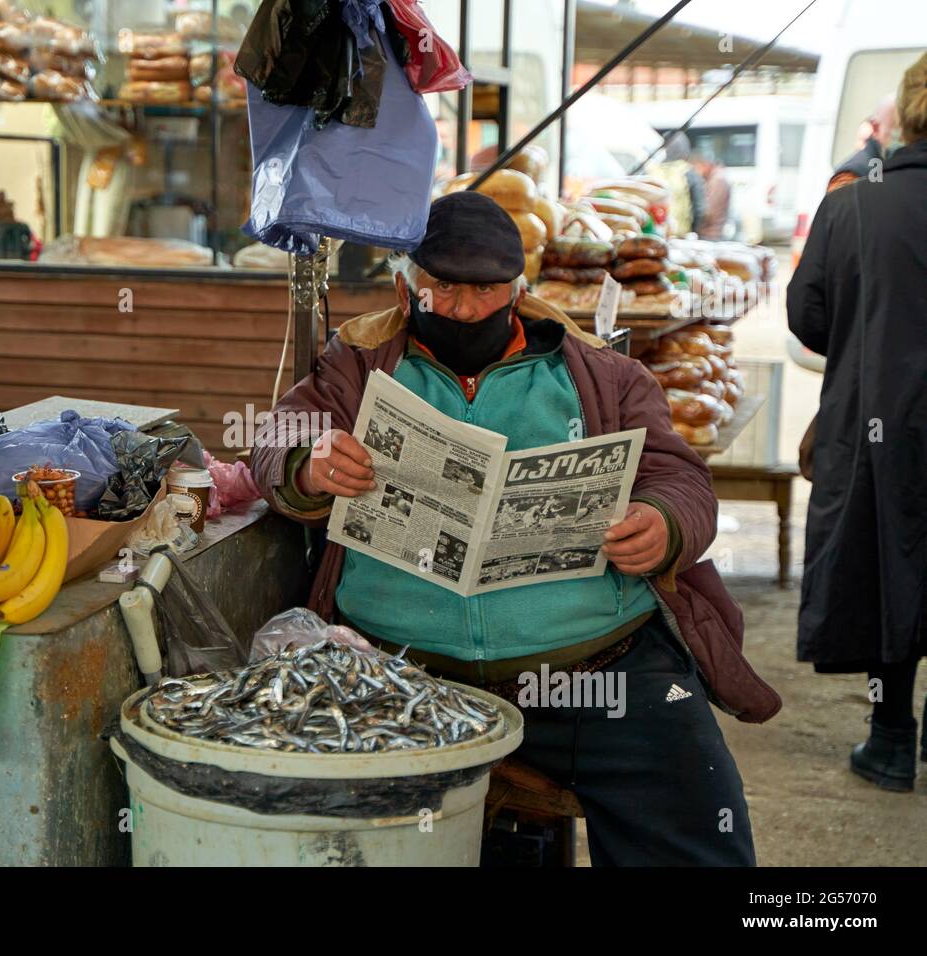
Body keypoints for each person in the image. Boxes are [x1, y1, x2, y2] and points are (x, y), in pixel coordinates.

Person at [251, 191, 781, 866]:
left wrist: (663, 523)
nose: (467, 310)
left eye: (487, 291)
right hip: (404, 676)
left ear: (520, 292)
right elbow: (278, 437)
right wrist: (310, 461)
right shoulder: (359, 363)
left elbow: (681, 479)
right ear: (404, 287)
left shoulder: (604, 374)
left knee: (700, 838)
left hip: (601, 670)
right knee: (340, 839)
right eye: (443, 289)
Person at [787, 54, 927, 793]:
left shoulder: (852, 205)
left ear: (904, 113)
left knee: (888, 563)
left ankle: (891, 738)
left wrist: (866, 333)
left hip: (883, 420)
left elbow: (806, 315)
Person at [828, 94, 900, 191]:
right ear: (875, 128)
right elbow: (837, 204)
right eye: (896, 128)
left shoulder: (893, 164)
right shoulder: (850, 176)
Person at [693, 152, 731, 239]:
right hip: (711, 233)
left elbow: (709, 211)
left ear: (705, 164)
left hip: (711, 234)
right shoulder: (715, 178)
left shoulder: (717, 180)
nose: (697, 172)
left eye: (698, 167)